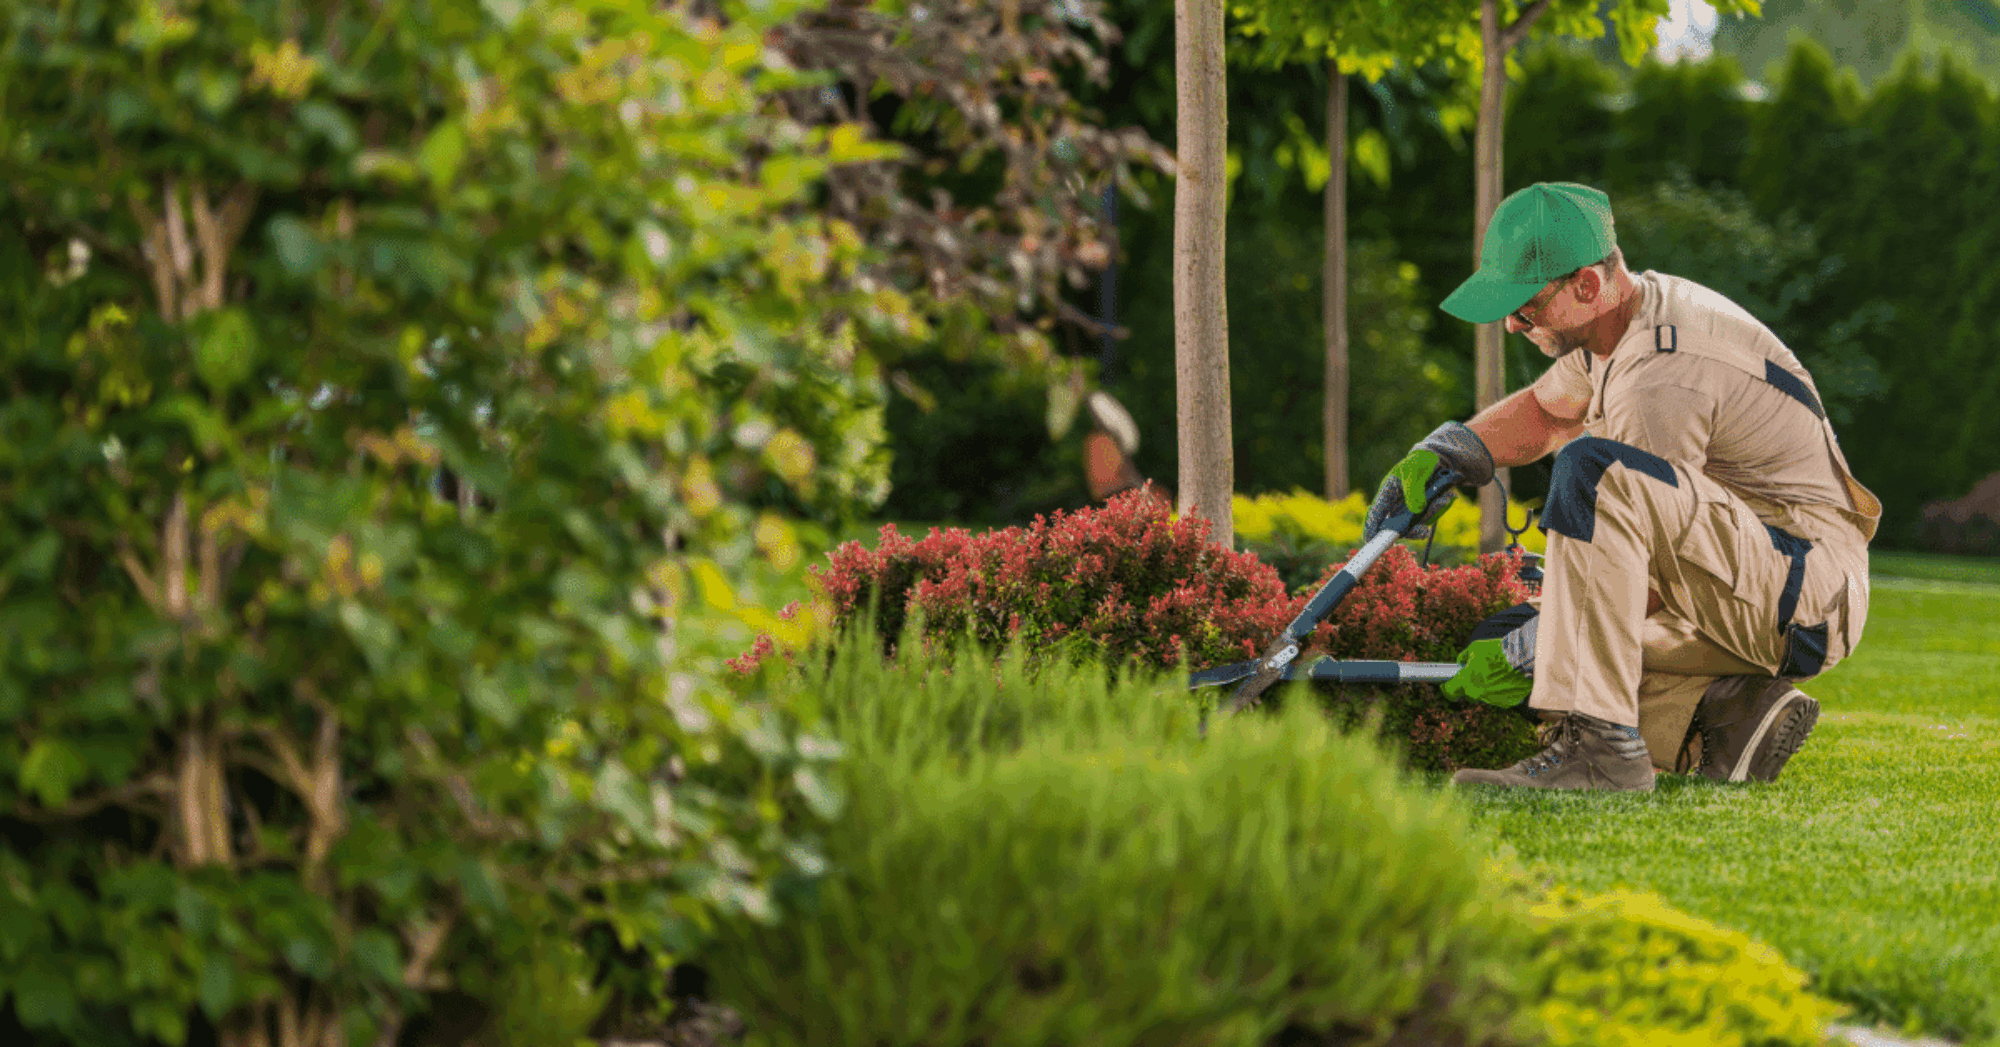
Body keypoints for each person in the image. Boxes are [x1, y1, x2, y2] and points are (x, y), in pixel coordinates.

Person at [1363, 182, 1881, 792]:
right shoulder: (1615, 325)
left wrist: (1532, 652)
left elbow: (1649, 576)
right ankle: (1730, 715)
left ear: (1586, 284)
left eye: (1526, 306)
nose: (1511, 324)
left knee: (1591, 482)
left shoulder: (1659, 378)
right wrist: (1452, 449)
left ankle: (1602, 750)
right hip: (1747, 574)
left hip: (1800, 589)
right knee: (1519, 629)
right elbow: (1548, 411)